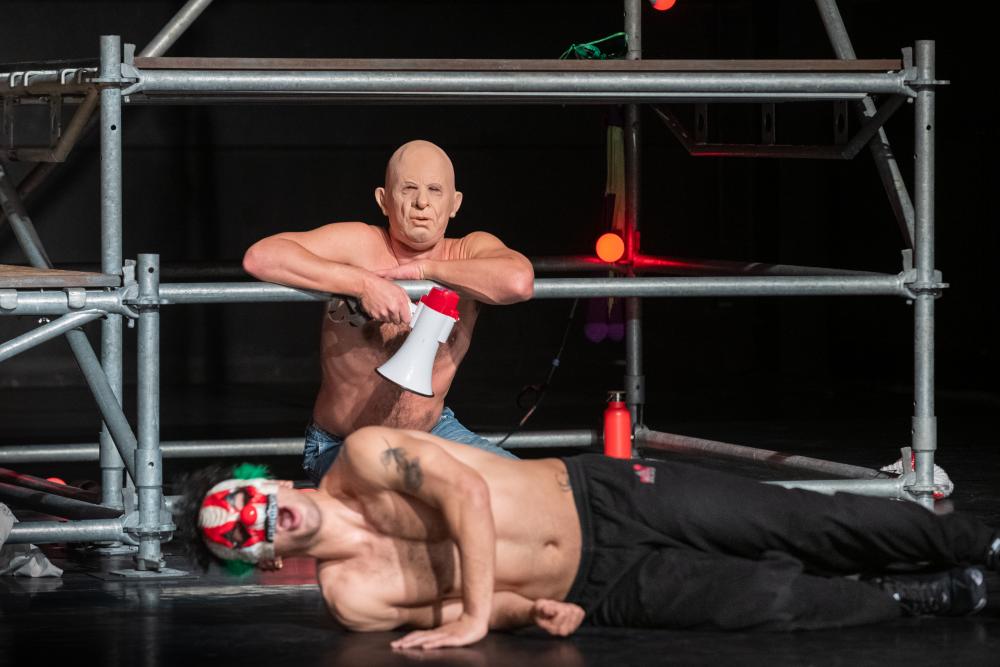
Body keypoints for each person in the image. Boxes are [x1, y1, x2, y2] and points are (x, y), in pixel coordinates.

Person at [183, 426, 1000, 650]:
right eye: (246, 533)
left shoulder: (364, 457)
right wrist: (519, 613)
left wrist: (468, 618)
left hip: (600, 498)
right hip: (591, 589)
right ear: (262, 559)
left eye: (249, 499)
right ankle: (911, 597)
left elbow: (465, 491)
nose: (262, 518)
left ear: (273, 481)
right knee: (762, 602)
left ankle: (975, 541)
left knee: (800, 519)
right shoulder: (352, 598)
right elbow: (465, 603)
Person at [242, 140, 534, 482]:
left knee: (527, 489)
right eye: (408, 188)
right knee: (418, 499)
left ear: (454, 204)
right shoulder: (360, 244)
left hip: (433, 433)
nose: (422, 202)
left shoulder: (468, 251)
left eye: (435, 190)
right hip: (345, 444)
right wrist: (362, 284)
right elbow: (261, 256)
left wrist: (425, 271)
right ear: (383, 199)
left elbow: (518, 281)